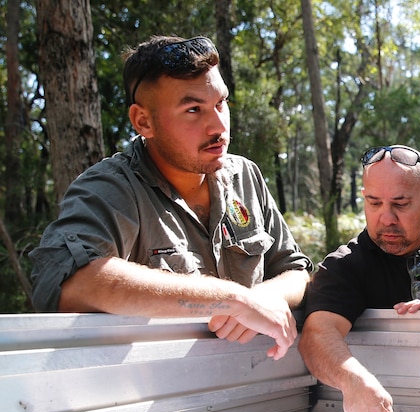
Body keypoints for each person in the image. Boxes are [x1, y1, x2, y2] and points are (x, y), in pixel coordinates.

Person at [29, 36, 312, 360]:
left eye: (221, 103)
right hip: (151, 398)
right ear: (143, 121)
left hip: (252, 390)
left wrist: (265, 297)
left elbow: (296, 271)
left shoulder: (244, 175)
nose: (218, 126)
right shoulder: (111, 188)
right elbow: (71, 283)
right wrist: (232, 299)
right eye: (193, 110)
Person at [299, 145, 420, 412]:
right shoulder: (346, 265)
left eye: (400, 204)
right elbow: (316, 336)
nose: (386, 218)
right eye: (374, 203)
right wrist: (354, 382)